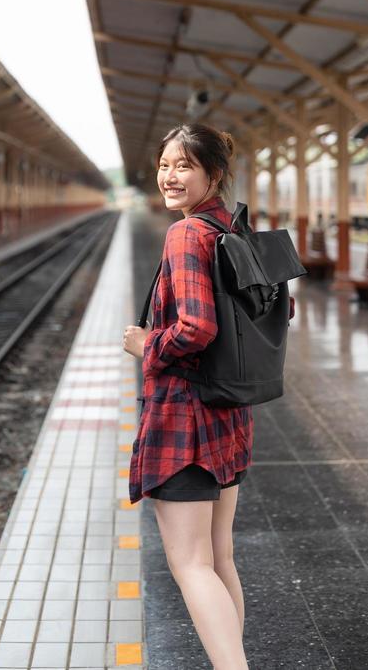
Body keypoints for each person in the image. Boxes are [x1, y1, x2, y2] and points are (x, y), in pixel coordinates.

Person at [123, 122, 253, 670]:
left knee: (191, 563)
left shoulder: (186, 235)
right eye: (165, 165)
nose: (170, 176)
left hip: (185, 420)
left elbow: (197, 327)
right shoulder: (232, 227)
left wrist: (146, 344)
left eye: (184, 166)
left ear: (212, 174)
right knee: (218, 556)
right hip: (230, 416)